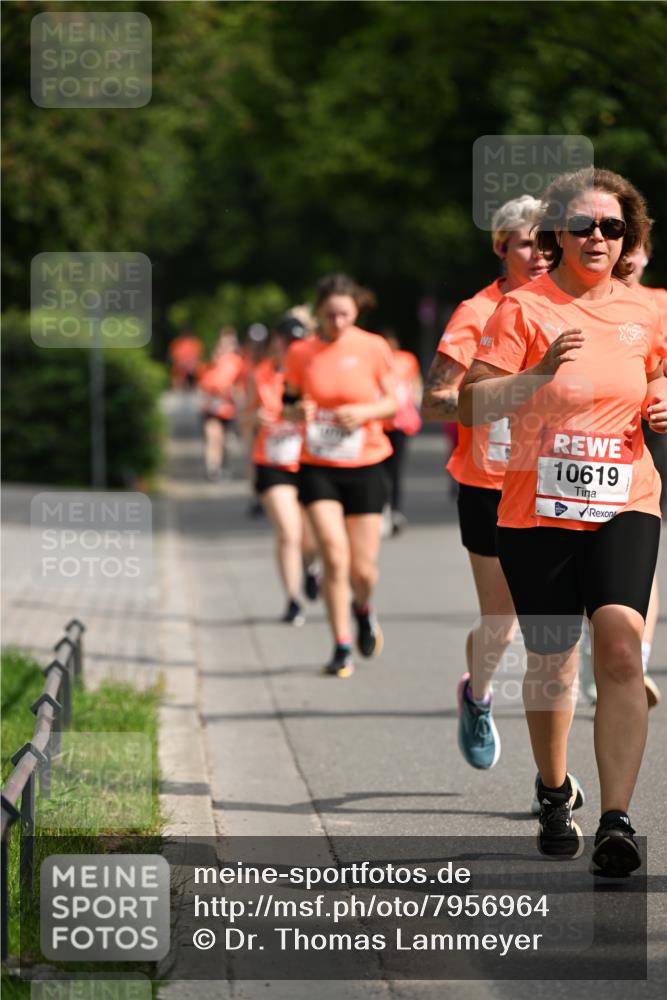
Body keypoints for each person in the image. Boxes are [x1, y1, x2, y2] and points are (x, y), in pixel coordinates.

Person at [459, 167, 667, 876]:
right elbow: (471, 405)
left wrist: (664, 398)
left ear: (628, 235)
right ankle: (553, 791)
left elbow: (658, 370)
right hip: (534, 509)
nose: (598, 238)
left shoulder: (650, 310)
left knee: (618, 645)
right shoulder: (521, 309)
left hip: (624, 500)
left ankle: (615, 818)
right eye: (582, 226)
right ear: (556, 234)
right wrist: (537, 375)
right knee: (552, 657)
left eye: (612, 227)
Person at [422, 196, 552, 772]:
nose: (540, 252)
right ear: (502, 247)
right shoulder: (476, 313)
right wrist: (503, 393)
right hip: (489, 486)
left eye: (548, 241)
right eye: (526, 241)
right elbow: (433, 402)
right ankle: (477, 694)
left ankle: (553, 778)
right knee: (502, 624)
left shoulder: (576, 308)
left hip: (557, 483)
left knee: (554, 629)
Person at [283, 273, 397, 677]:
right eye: (330, 315)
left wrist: (363, 413)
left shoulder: (373, 347)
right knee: (333, 555)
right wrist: (298, 413)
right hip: (319, 466)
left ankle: (363, 607)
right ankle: (341, 644)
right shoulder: (301, 352)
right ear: (318, 313)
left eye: (345, 315)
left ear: (356, 311)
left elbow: (394, 401)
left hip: (366, 463)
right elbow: (288, 402)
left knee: (362, 570)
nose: (337, 323)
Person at [579, 238, 665, 707]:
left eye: (637, 249)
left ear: (647, 255)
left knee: (636, 553)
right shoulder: (574, 303)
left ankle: (635, 654)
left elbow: (660, 369)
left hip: (647, 440)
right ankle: (597, 650)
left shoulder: (658, 306)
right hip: (582, 451)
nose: (628, 257)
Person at [245, 317, 320, 625]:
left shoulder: (313, 373)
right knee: (288, 532)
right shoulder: (259, 375)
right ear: (275, 342)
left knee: (310, 539)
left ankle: (311, 566)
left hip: (309, 461)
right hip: (272, 462)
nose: (290, 347)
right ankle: (293, 599)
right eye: (285, 341)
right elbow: (244, 419)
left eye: (296, 342)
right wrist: (254, 418)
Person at [381, 331, 422, 535]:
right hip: (380, 421)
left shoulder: (407, 359)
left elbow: (415, 383)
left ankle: (395, 510)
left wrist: (414, 402)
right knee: (381, 469)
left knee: (396, 469)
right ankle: (382, 508)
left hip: (401, 421)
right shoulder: (377, 359)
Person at [198, 328, 243, 480]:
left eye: (229, 343)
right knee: (212, 435)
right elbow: (203, 382)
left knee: (225, 441)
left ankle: (223, 466)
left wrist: (235, 394)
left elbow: (241, 385)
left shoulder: (238, 362)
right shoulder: (212, 361)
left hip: (229, 408)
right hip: (213, 406)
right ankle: (212, 469)